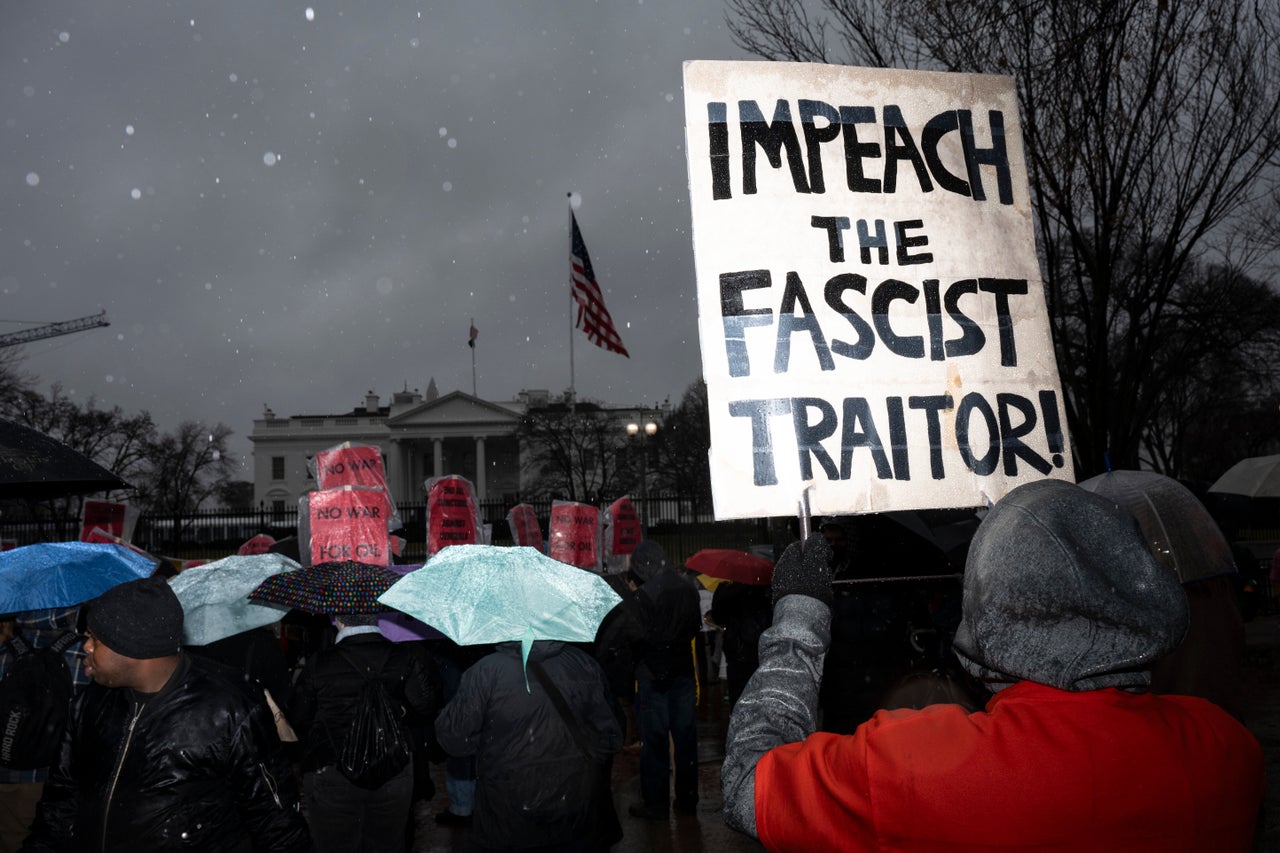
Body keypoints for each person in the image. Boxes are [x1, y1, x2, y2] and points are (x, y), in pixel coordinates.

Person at [722, 479, 1265, 851]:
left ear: (989, 608)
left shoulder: (917, 768)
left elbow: (749, 782)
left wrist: (800, 615)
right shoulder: (1227, 750)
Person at [19, 576, 310, 853]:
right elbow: (60, 803)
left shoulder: (230, 707)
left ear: (132, 645)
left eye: (95, 638)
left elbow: (275, 822)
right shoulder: (89, 702)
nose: (86, 647)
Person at [435, 638, 623, 852]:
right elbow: (611, 736)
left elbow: (453, 740)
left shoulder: (485, 671)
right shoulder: (584, 663)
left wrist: (490, 743)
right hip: (575, 808)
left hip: (508, 812)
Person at [289, 612, 437, 853]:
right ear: (377, 618)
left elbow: (299, 718)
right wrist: (396, 710)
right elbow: (426, 708)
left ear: (338, 619)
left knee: (336, 844)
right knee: (386, 844)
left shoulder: (320, 663)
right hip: (393, 765)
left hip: (332, 769)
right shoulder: (403, 657)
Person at [623, 540, 702, 821]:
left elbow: (636, 636)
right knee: (685, 739)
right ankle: (687, 798)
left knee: (654, 743)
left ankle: (656, 805)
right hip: (681, 671)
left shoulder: (643, 596)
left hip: (652, 676)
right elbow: (695, 628)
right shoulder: (688, 589)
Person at [0, 608, 89, 853]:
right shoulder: (87, 654)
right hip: (61, 779)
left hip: (10, 775)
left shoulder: (5, 652)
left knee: (12, 842)